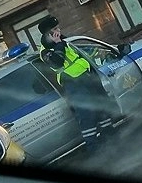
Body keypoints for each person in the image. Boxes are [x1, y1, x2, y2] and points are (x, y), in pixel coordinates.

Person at [38, 16, 112, 147]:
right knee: (86, 113)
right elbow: (57, 62)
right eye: (55, 29)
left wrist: (107, 51)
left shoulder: (64, 40)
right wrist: (58, 44)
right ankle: (93, 145)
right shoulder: (45, 51)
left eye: (58, 27)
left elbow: (82, 51)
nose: (59, 30)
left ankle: (109, 133)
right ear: (48, 33)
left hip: (87, 77)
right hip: (73, 83)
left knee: (100, 105)